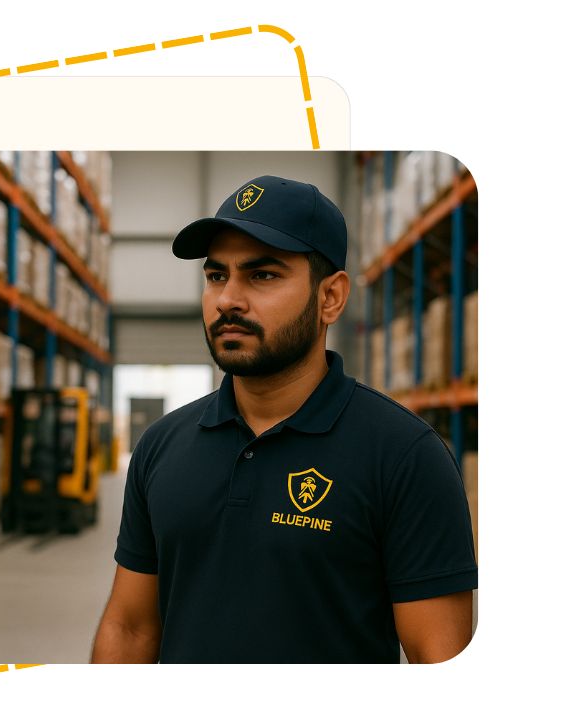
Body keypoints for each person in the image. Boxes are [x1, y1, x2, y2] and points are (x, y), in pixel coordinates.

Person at [90, 174, 477, 664]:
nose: (228, 298)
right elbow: (130, 628)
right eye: (216, 276)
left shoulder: (404, 456)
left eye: (263, 275)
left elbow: (437, 659)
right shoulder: (161, 446)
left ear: (330, 298)